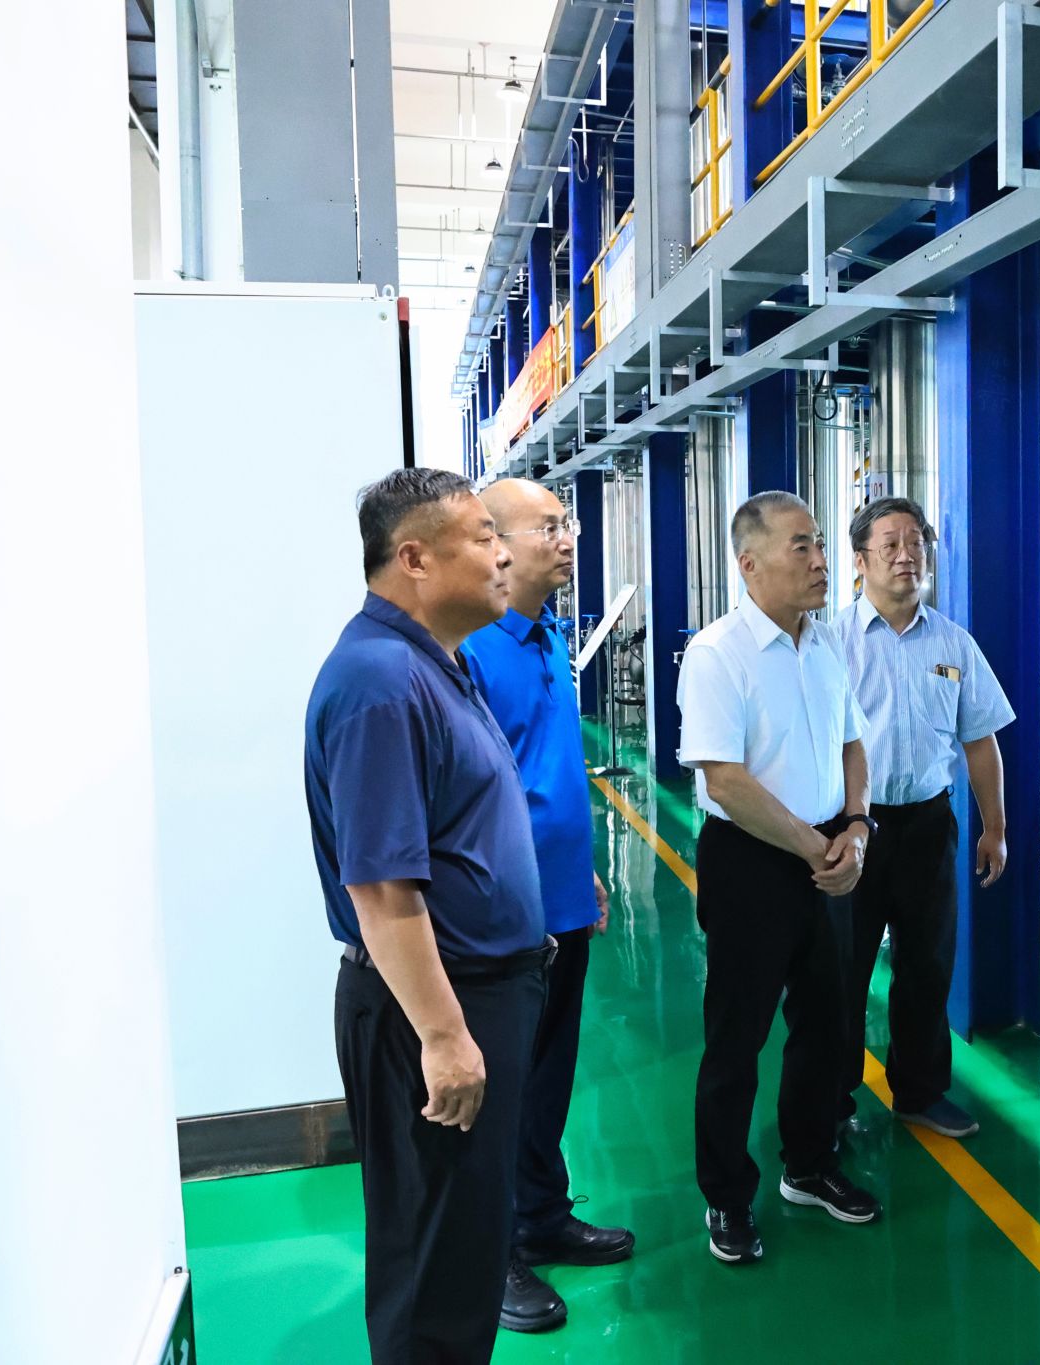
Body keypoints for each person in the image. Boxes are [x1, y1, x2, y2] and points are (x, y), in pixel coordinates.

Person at [302, 468, 556, 1365]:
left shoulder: (437, 663)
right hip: (434, 1007)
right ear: (413, 558)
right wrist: (445, 1038)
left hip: (477, 992)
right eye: (484, 537)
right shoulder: (381, 681)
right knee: (435, 1261)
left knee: (465, 1245)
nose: (503, 554)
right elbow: (382, 889)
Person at [676, 490, 882, 1264]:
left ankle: (809, 1162)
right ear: (750, 563)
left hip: (829, 852)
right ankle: (727, 1196)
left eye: (821, 544)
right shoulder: (717, 654)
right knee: (737, 1036)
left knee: (827, 1023)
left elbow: (854, 742)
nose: (823, 561)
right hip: (751, 861)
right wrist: (811, 846)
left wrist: (856, 827)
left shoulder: (824, 644)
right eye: (803, 546)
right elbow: (724, 780)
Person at [460, 478, 632, 1335]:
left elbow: (551, 771)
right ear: (495, 540)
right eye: (549, 527)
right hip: (503, 914)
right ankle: (491, 1255)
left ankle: (541, 1214)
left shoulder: (549, 634)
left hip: (561, 898)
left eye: (568, 524)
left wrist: (580, 871)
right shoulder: (470, 653)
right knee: (499, 1091)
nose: (568, 539)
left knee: (551, 1072)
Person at [835, 497, 1014, 1140]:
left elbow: (980, 741)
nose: (906, 555)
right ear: (860, 561)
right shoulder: (831, 643)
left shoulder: (952, 642)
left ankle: (919, 1092)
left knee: (927, 964)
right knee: (842, 968)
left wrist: (994, 827)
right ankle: (831, 1099)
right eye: (890, 544)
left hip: (929, 826)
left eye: (916, 543)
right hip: (852, 827)